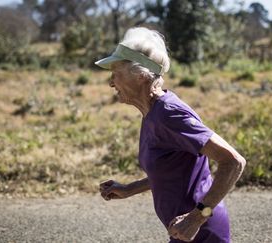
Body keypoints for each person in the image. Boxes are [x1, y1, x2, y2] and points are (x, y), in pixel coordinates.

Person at [95, 27, 246, 243]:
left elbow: (233, 162)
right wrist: (129, 189)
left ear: (140, 76)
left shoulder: (168, 114)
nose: (111, 82)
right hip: (184, 231)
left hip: (200, 232)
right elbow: (172, 171)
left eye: (115, 74)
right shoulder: (152, 113)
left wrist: (196, 218)